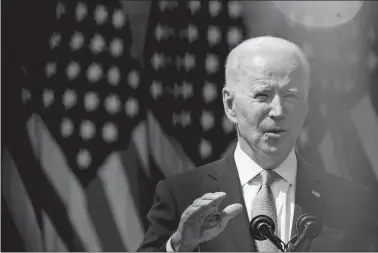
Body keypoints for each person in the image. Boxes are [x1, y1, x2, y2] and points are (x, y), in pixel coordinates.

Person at [137, 36, 378, 252]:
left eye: (291, 96)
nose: (279, 110)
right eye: (262, 95)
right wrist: (180, 245)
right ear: (230, 105)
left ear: (305, 105)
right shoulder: (181, 195)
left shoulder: (352, 202)